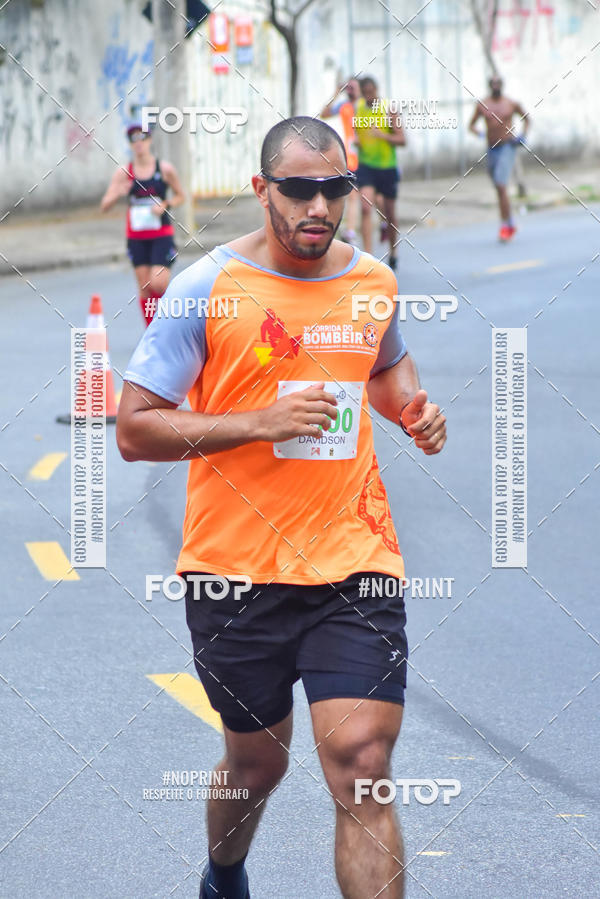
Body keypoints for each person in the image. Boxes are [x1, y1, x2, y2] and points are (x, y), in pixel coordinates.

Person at [117, 116, 447, 899]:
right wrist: (258, 422)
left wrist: (415, 411)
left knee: (363, 762)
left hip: (355, 562)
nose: (319, 207)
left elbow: (386, 372)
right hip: (235, 573)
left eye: (334, 189)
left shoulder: (373, 283)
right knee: (256, 762)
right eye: (299, 189)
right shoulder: (204, 289)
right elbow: (134, 428)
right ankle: (224, 873)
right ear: (261, 188)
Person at [100, 122, 185, 325]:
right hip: (136, 237)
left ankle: (168, 322)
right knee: (145, 287)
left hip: (161, 234)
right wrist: (118, 193)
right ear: (130, 144)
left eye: (142, 138)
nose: (139, 143)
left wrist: (166, 204)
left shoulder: (164, 169)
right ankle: (152, 331)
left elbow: (181, 196)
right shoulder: (124, 172)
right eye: (133, 139)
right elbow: (104, 206)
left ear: (150, 140)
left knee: (158, 283)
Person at [469, 75, 530, 242]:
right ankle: (510, 223)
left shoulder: (510, 103)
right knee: (498, 187)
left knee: (501, 185)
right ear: (489, 85)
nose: (496, 85)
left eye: (498, 83)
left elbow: (527, 119)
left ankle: (505, 227)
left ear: (502, 85)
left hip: (507, 147)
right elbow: (471, 125)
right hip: (491, 149)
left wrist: (523, 135)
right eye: (493, 83)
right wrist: (480, 133)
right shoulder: (483, 105)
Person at [353, 76, 406, 268]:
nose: (369, 96)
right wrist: (357, 140)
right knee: (366, 207)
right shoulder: (358, 108)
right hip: (366, 165)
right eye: (365, 93)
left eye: (371, 92)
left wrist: (382, 135)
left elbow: (402, 140)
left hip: (387, 167)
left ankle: (393, 252)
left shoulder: (388, 109)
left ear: (376, 90)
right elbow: (357, 131)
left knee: (390, 213)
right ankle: (368, 258)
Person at [320, 77, 361, 244]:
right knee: (352, 195)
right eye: (348, 87)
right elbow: (324, 113)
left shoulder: (366, 105)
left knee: (373, 196)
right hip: (351, 157)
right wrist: (336, 93)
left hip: (368, 156)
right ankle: (350, 231)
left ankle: (383, 223)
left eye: (353, 87)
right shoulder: (344, 106)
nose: (350, 90)